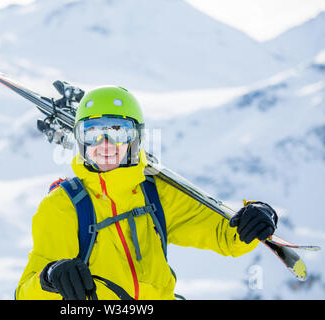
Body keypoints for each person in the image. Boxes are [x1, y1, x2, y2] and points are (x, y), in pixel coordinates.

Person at [15, 86, 278, 300]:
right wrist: (50, 278)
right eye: (93, 133)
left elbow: (224, 235)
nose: (105, 145)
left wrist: (254, 217)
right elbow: (26, 293)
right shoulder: (63, 206)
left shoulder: (156, 193)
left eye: (118, 132)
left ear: (136, 138)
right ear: (80, 138)